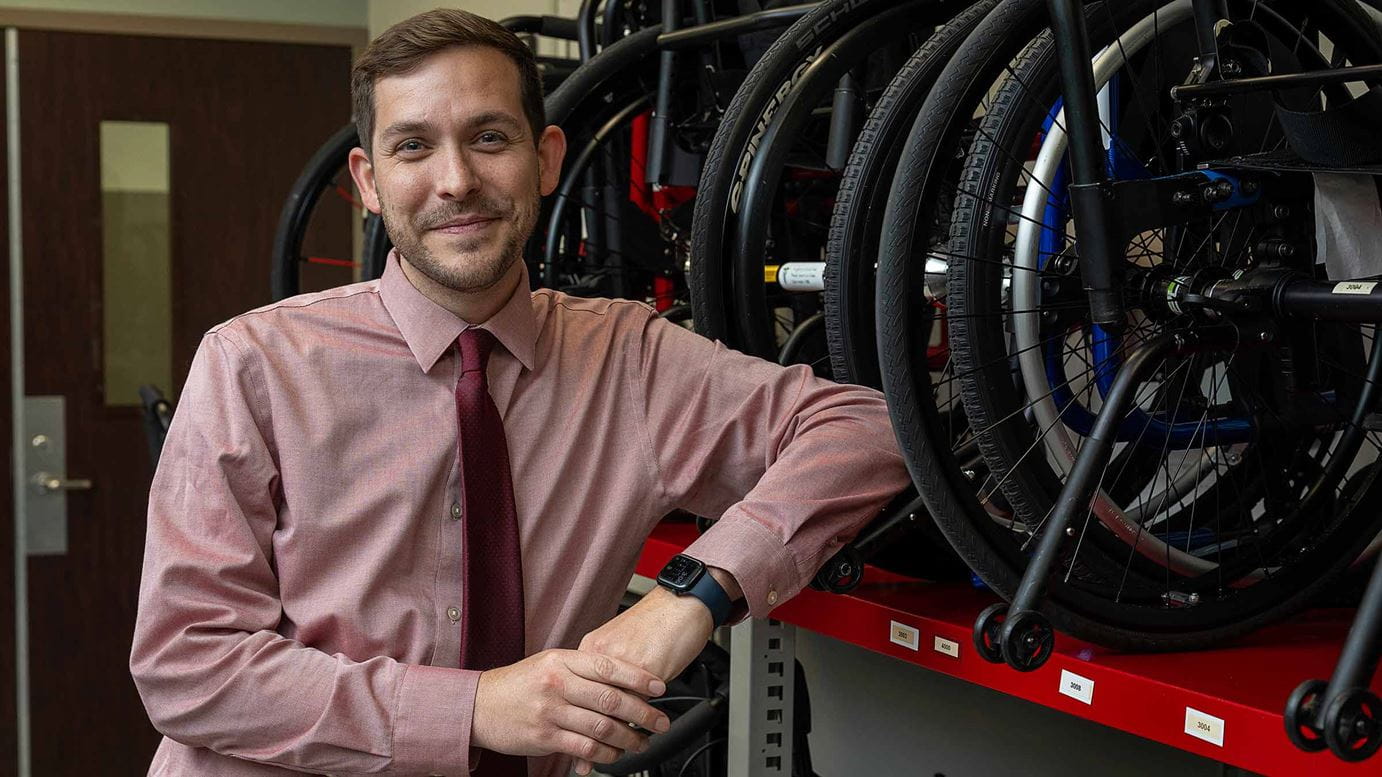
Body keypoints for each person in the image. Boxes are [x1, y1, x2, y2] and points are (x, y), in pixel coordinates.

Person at [129, 8, 909, 777]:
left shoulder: (628, 359)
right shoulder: (254, 364)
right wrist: (474, 709)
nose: (457, 181)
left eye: (489, 138)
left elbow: (865, 429)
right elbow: (187, 663)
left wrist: (689, 596)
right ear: (369, 181)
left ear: (545, 159)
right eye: (413, 147)